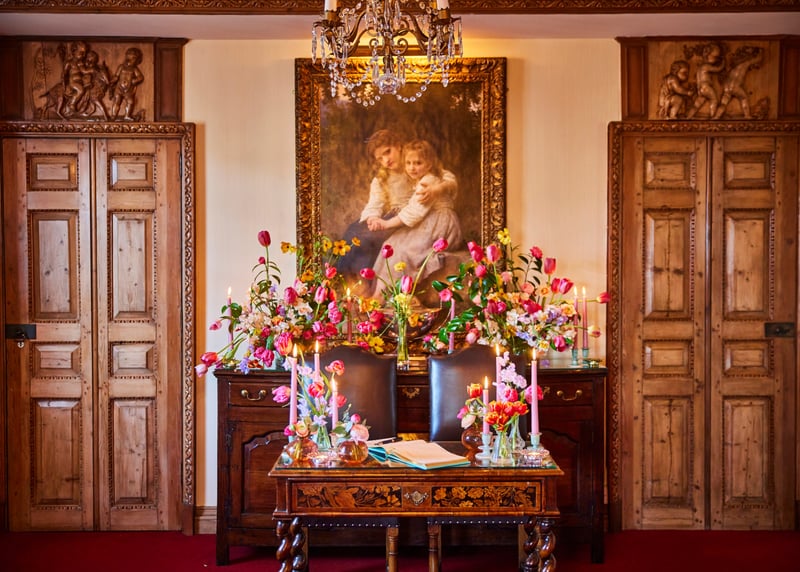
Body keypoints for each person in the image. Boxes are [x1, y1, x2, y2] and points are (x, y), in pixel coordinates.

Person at [339, 129, 457, 284]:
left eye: (387, 152)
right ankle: (352, 284)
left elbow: (447, 178)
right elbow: (375, 202)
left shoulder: (417, 165)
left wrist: (438, 189)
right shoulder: (382, 179)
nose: (386, 160)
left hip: (412, 217)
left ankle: (370, 285)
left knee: (370, 240)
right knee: (353, 233)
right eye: (380, 159)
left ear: (399, 146)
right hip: (393, 216)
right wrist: (373, 217)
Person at [369, 139, 463, 304]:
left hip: (441, 226)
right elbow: (448, 179)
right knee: (391, 244)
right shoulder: (429, 177)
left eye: (418, 163)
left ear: (429, 164)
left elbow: (413, 212)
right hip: (429, 223)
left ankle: (385, 295)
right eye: (408, 163)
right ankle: (380, 294)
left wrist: (385, 224)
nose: (412, 167)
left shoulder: (427, 182)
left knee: (404, 251)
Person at [686, 42, 725, 119]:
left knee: (697, 104)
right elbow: (717, 69)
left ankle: (688, 116)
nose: (716, 59)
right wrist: (722, 64)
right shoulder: (706, 66)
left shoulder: (700, 67)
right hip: (706, 87)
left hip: (700, 89)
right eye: (715, 57)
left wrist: (698, 90)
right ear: (708, 55)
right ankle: (713, 117)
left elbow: (698, 80)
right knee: (714, 100)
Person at [110, 47, 145, 120]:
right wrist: (112, 81)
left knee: (130, 102)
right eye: (129, 58)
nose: (130, 61)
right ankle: (113, 116)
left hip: (128, 89)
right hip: (119, 88)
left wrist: (134, 80)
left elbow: (140, 77)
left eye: (133, 59)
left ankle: (127, 115)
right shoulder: (121, 67)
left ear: (136, 61)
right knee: (117, 101)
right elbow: (116, 76)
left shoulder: (134, 69)